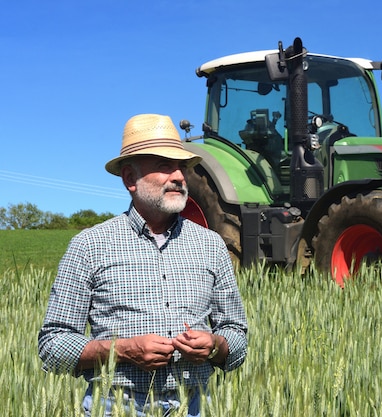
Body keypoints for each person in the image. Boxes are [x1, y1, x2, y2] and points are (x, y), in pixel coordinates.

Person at [38, 114, 248, 416]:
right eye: (164, 166)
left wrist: (216, 344)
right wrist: (122, 350)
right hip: (115, 406)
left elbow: (237, 335)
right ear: (129, 178)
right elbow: (52, 346)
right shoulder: (89, 245)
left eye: (183, 168)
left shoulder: (211, 245)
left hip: (193, 405)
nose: (178, 176)